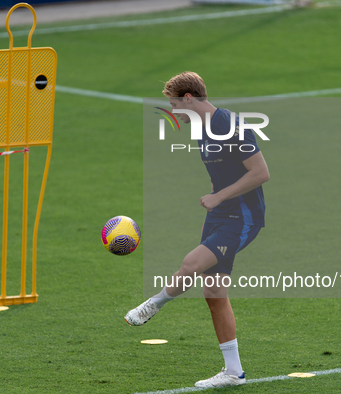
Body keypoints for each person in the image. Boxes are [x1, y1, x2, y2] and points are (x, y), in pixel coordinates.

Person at [125, 71, 270, 388]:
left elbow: (260, 172)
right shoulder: (203, 129)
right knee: (214, 294)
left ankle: (153, 304)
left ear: (188, 99)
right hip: (220, 215)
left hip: (242, 218)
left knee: (191, 263)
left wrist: (219, 195)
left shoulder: (228, 125)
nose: (174, 112)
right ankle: (233, 372)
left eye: (175, 105)